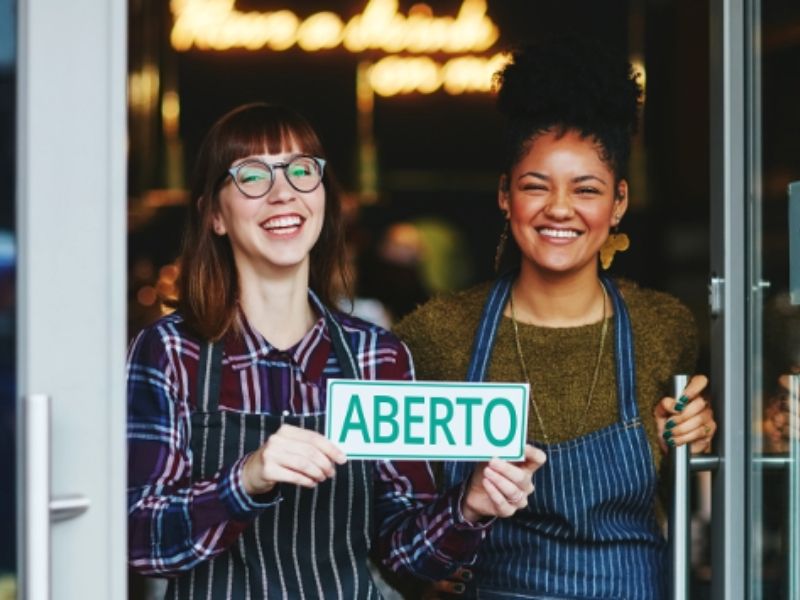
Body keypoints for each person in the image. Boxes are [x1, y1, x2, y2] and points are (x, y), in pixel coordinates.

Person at [126, 102, 545, 599]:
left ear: (325, 199)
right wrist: (247, 477)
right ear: (214, 215)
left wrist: (471, 505)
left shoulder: (377, 356)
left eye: (303, 171)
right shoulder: (171, 351)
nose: (284, 193)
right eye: (253, 176)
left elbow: (404, 560)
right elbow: (142, 541)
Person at [387, 37, 717, 599]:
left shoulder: (666, 328)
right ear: (504, 196)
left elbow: (701, 512)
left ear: (618, 203)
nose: (559, 209)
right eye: (535, 187)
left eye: (586, 190)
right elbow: (397, 531)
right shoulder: (434, 335)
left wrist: (701, 447)